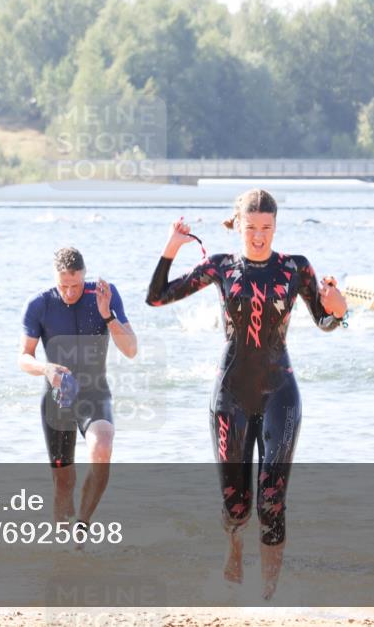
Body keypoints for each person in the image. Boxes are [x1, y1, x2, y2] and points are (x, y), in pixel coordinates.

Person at [145, 189, 347, 599]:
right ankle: (234, 544)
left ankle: (268, 594)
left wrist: (339, 310)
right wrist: (170, 248)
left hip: (280, 393)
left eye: (267, 228)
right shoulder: (221, 267)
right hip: (230, 397)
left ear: (276, 227)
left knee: (272, 499)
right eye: (251, 228)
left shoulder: (295, 269)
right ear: (237, 225)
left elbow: (326, 320)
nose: (259, 237)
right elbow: (156, 297)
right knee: (237, 505)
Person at [19, 247, 137, 537]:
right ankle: (61, 545)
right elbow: (23, 357)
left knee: (103, 445)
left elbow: (131, 349)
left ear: (84, 276)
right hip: (57, 398)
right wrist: (45, 369)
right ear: (55, 279)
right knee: (63, 483)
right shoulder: (39, 304)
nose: (70, 292)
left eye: (76, 285)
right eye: (64, 286)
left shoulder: (103, 295)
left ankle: (81, 529)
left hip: (95, 392)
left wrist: (108, 316)